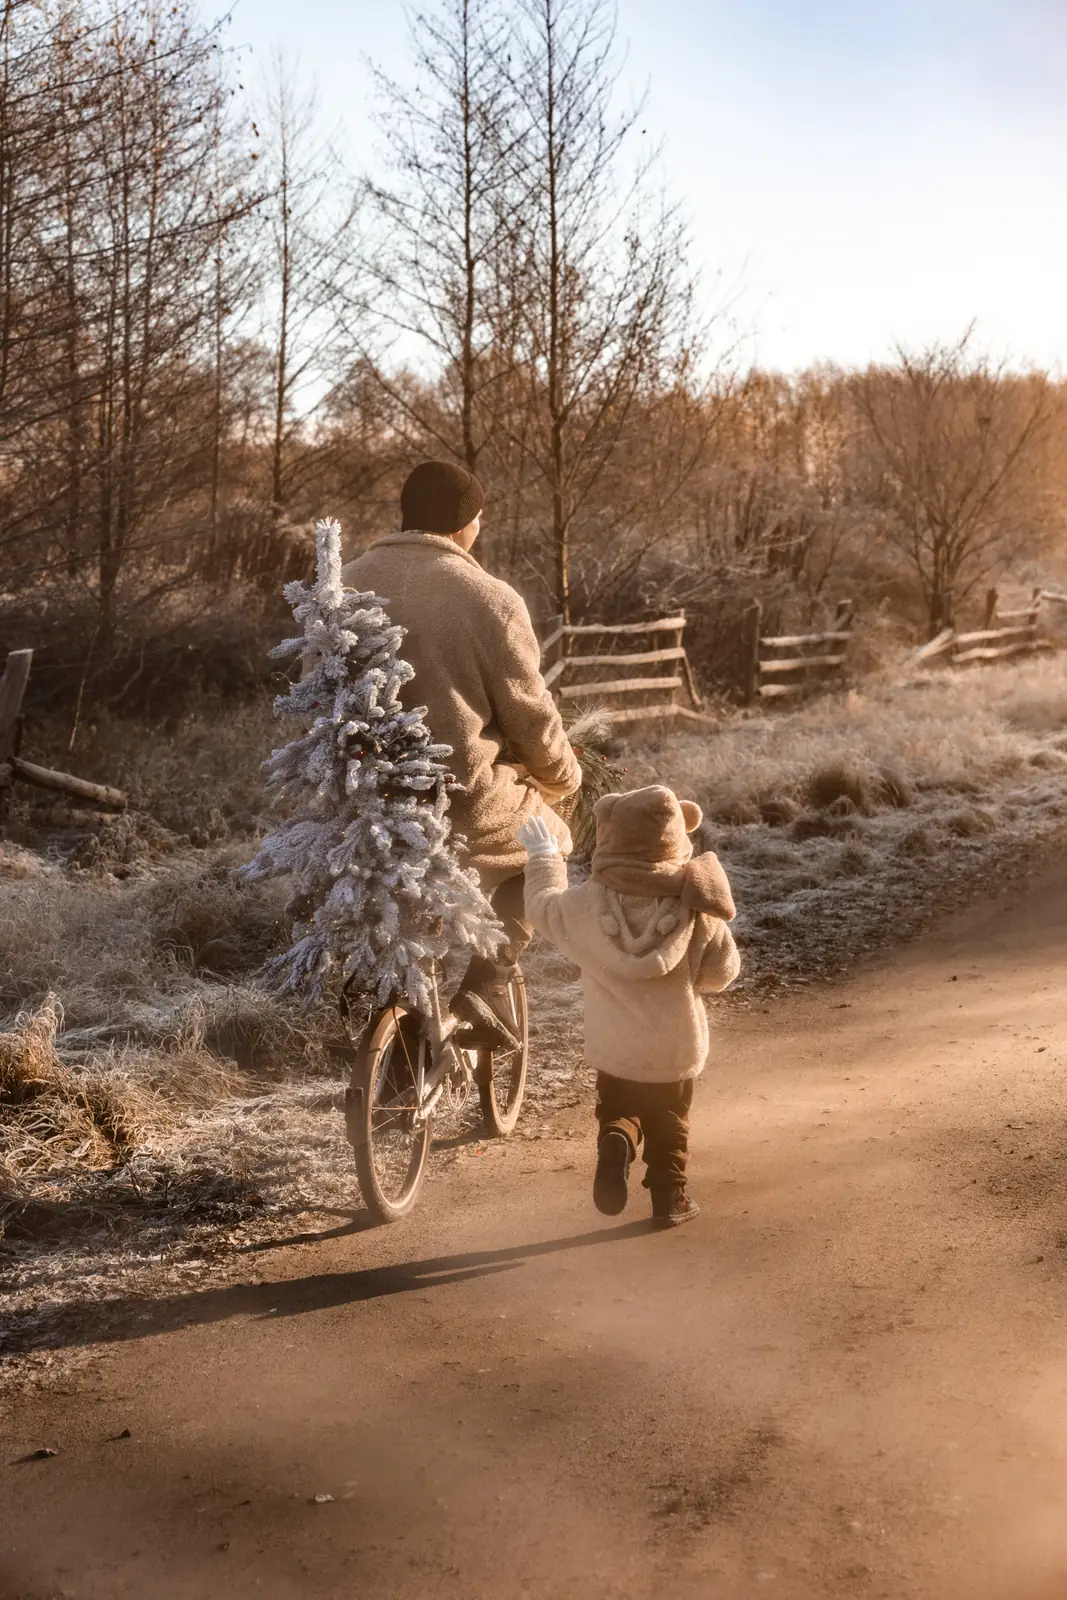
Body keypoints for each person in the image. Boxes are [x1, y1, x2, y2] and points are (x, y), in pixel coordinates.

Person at [342, 459, 580, 1047]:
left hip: (363, 804)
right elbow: (530, 715)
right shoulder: (488, 598)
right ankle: (487, 982)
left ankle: (397, 1036)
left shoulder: (345, 585)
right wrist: (563, 777)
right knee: (550, 843)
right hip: (459, 802)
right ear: (463, 523)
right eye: (478, 518)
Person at [518, 786, 740, 1226]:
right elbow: (721, 973)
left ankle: (618, 1136)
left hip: (614, 1046)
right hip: (675, 1049)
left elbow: (542, 909)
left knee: (618, 1106)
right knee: (670, 1120)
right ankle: (669, 1199)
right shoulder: (696, 908)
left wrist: (544, 857)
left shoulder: (587, 904)